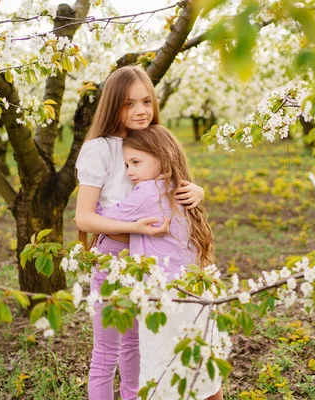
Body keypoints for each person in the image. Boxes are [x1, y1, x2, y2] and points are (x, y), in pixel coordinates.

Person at [75, 66, 204, 400]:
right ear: (113, 104)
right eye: (129, 103)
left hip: (150, 260)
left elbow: (171, 182)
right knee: (106, 354)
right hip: (115, 258)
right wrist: (132, 227)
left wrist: (199, 192)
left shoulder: (150, 138)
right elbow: (84, 218)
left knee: (136, 346)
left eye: (146, 101)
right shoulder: (99, 149)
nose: (140, 110)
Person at [99, 125, 224, 400]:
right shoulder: (178, 189)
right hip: (196, 290)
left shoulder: (146, 192)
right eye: (126, 165)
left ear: (161, 157)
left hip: (164, 298)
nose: (130, 172)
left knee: (162, 371)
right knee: (202, 367)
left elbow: (106, 216)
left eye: (136, 162)